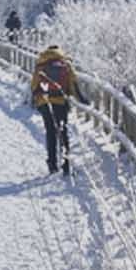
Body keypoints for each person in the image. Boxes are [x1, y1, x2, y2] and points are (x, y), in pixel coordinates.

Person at [30, 45, 86, 176]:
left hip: (45, 101)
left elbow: (34, 85)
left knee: (50, 131)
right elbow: (73, 84)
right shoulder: (65, 63)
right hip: (60, 101)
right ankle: (66, 164)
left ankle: (52, 163)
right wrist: (81, 98)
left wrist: (36, 100)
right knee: (63, 131)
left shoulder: (41, 63)